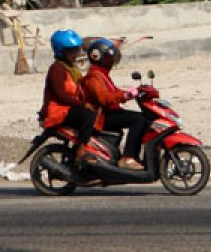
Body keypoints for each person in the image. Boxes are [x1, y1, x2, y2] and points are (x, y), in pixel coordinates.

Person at [80, 37, 147, 170]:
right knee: (138, 119)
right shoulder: (94, 76)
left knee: (144, 118)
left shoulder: (102, 74)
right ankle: (127, 157)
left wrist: (133, 92)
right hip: (101, 116)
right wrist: (125, 95)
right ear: (97, 57)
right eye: (108, 58)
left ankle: (134, 156)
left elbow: (114, 92)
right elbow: (104, 98)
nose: (111, 61)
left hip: (107, 112)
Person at [38, 29, 101, 164]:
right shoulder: (57, 69)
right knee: (88, 115)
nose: (75, 54)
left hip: (67, 108)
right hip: (57, 111)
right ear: (61, 51)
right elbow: (61, 96)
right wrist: (84, 105)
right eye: (71, 51)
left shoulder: (71, 68)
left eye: (76, 50)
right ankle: (80, 150)